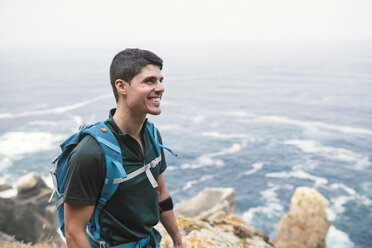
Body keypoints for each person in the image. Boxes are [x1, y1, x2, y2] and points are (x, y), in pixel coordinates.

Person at [63, 48, 183, 248]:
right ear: (121, 86)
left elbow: (160, 192)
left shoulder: (152, 135)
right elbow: (74, 232)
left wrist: (178, 240)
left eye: (161, 80)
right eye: (150, 81)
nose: (161, 88)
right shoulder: (91, 152)